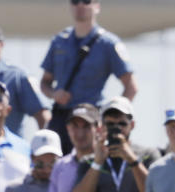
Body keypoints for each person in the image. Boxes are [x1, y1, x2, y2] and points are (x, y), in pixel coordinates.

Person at [40, 0, 136, 154]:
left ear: (97, 6)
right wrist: (53, 94)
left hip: (91, 119)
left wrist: (113, 119)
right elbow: (44, 83)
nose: (80, 6)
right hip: (62, 117)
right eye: (75, 1)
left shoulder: (108, 43)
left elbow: (131, 88)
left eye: (86, 1)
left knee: (90, 167)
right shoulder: (59, 41)